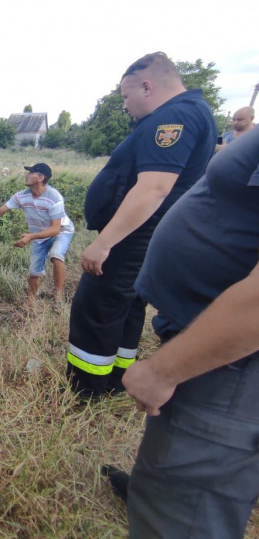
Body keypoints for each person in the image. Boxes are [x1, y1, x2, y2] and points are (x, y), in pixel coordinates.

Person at [103, 126, 259, 538]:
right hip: (220, 347)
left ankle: (173, 497)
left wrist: (163, 371)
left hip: (232, 366)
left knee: (186, 507)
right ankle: (152, 487)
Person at [67, 52, 216, 399]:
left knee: (98, 305)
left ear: (146, 86)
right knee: (127, 305)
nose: (124, 105)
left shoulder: (174, 117)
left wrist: (104, 242)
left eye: (125, 96)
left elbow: (153, 188)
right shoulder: (192, 112)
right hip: (149, 233)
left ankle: (86, 390)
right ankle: (117, 379)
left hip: (135, 235)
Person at [0, 163, 74, 307]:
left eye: (30, 173)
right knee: (34, 271)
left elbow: (55, 229)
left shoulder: (53, 197)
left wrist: (30, 237)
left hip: (61, 231)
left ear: (40, 177)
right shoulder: (21, 196)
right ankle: (31, 302)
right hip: (39, 235)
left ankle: (58, 296)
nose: (26, 175)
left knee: (56, 255)